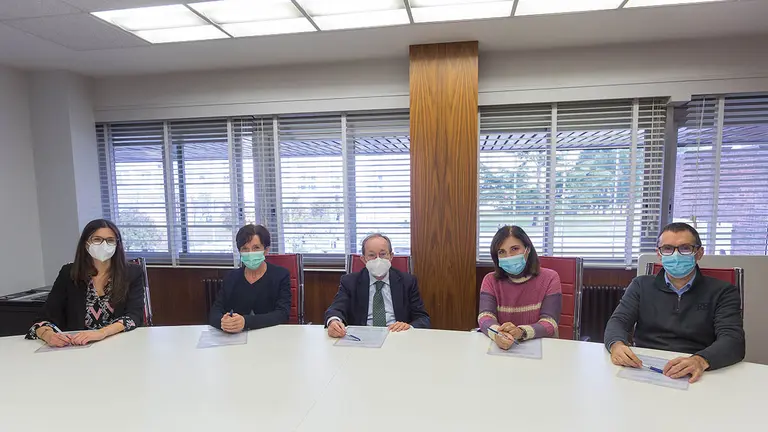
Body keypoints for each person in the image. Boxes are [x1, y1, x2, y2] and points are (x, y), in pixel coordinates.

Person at [604, 222, 745, 383]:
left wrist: (700, 360)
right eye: (667, 248)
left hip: (697, 371)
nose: (676, 255)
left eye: (685, 248)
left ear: (699, 253)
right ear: (659, 254)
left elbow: (733, 340)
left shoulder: (723, 291)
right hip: (644, 366)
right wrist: (616, 345)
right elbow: (618, 321)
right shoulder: (640, 285)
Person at [26, 219, 145, 347]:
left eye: (110, 240)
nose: (104, 245)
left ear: (118, 244)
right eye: (97, 239)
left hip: (119, 345)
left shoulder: (132, 273)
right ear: (86, 242)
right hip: (79, 346)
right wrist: (48, 335)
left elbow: (134, 316)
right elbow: (44, 318)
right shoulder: (69, 273)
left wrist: (102, 333)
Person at [325, 234, 430, 337]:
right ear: (363, 259)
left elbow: (422, 318)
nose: (378, 259)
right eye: (372, 255)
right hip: (361, 337)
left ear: (391, 256)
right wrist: (334, 321)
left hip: (397, 335)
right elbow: (336, 309)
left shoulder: (407, 282)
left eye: (383, 254)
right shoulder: (350, 282)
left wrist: (408, 327)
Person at [478, 226, 563, 350]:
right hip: (504, 349)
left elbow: (550, 322)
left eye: (515, 249)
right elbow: (485, 316)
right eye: (501, 252)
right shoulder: (490, 280)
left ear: (527, 250)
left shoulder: (550, 278)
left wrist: (521, 332)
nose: (508, 256)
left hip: (542, 349)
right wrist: (497, 334)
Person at [209, 224, 291, 332]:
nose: (250, 253)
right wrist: (224, 322)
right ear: (240, 252)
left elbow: (282, 314)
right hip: (236, 337)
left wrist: (245, 322)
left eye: (256, 248)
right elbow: (215, 312)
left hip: (270, 334)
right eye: (245, 249)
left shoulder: (281, 275)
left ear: (266, 250)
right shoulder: (231, 277)